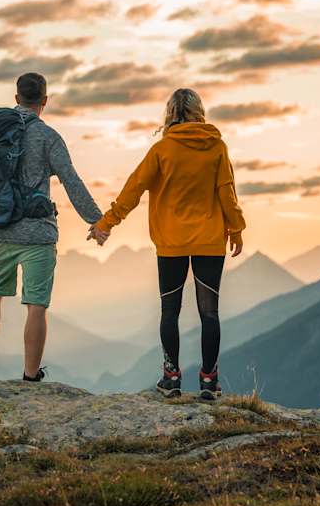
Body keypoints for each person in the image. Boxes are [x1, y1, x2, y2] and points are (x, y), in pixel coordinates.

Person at [88, 88, 246, 400]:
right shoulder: (217, 147)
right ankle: (209, 381)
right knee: (209, 312)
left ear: (170, 113)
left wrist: (107, 223)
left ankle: (171, 377)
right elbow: (227, 193)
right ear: (199, 111)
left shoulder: (163, 150)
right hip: (210, 241)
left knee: (170, 310)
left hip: (171, 241)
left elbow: (134, 188)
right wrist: (237, 229)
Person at [0, 72, 103, 385]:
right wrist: (96, 220)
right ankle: (30, 376)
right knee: (36, 305)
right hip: (38, 234)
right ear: (44, 101)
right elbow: (71, 180)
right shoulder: (48, 137)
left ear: (17, 98)